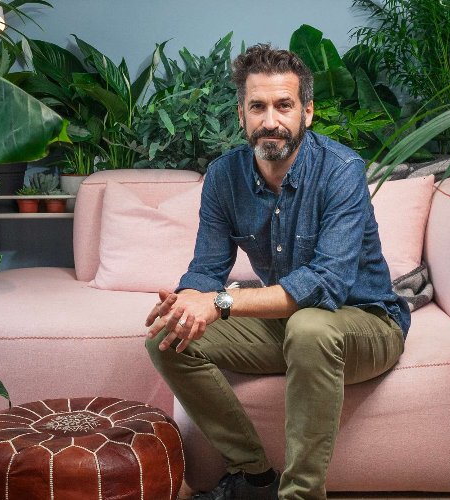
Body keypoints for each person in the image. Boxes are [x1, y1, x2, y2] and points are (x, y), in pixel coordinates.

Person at [143, 44, 410, 500]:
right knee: (168, 337)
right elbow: (207, 268)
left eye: (284, 105)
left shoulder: (342, 171)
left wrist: (220, 302)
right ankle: (253, 477)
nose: (271, 121)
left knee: (309, 327)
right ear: (241, 115)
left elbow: (325, 284)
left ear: (307, 111)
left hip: (367, 323)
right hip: (290, 324)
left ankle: (301, 495)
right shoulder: (224, 177)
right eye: (258, 107)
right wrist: (188, 300)